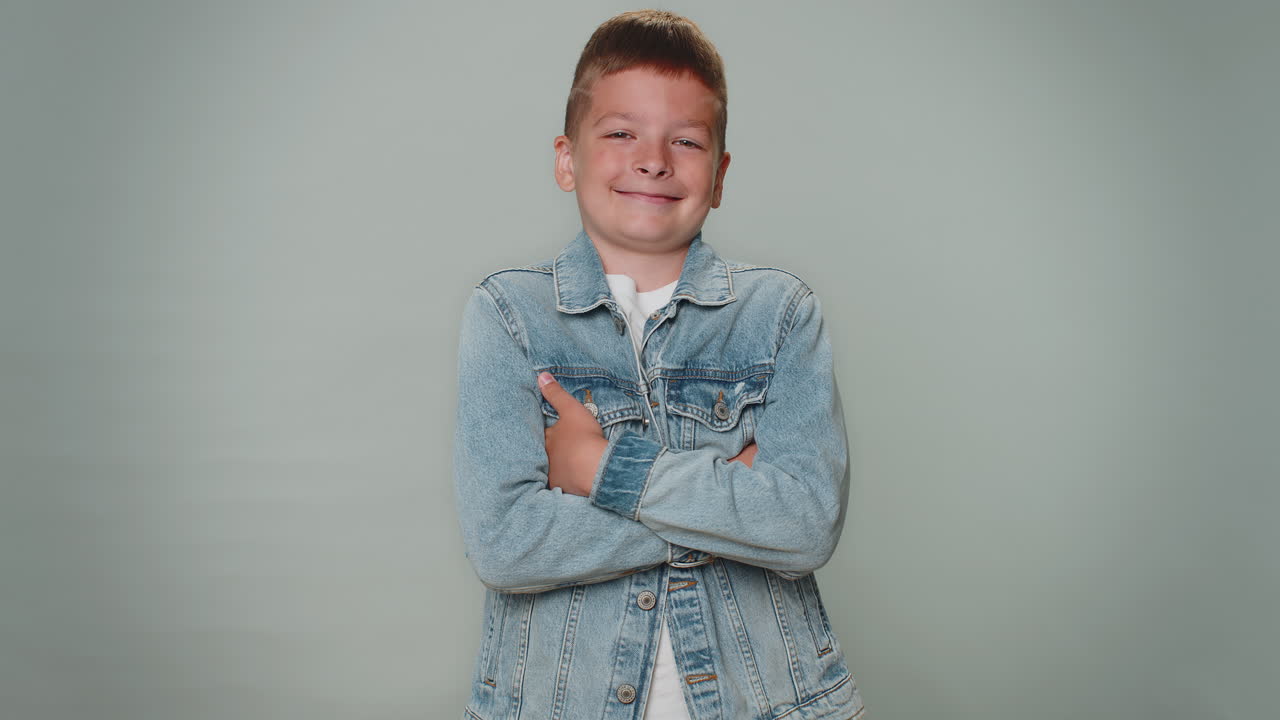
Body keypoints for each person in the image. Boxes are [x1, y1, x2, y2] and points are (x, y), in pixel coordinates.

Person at [452, 10, 866, 719]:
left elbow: (804, 524)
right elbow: (506, 545)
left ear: (720, 174)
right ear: (566, 158)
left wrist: (605, 473)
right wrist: (729, 504)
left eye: (686, 140)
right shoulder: (509, 316)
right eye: (621, 133)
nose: (653, 159)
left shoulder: (780, 314)